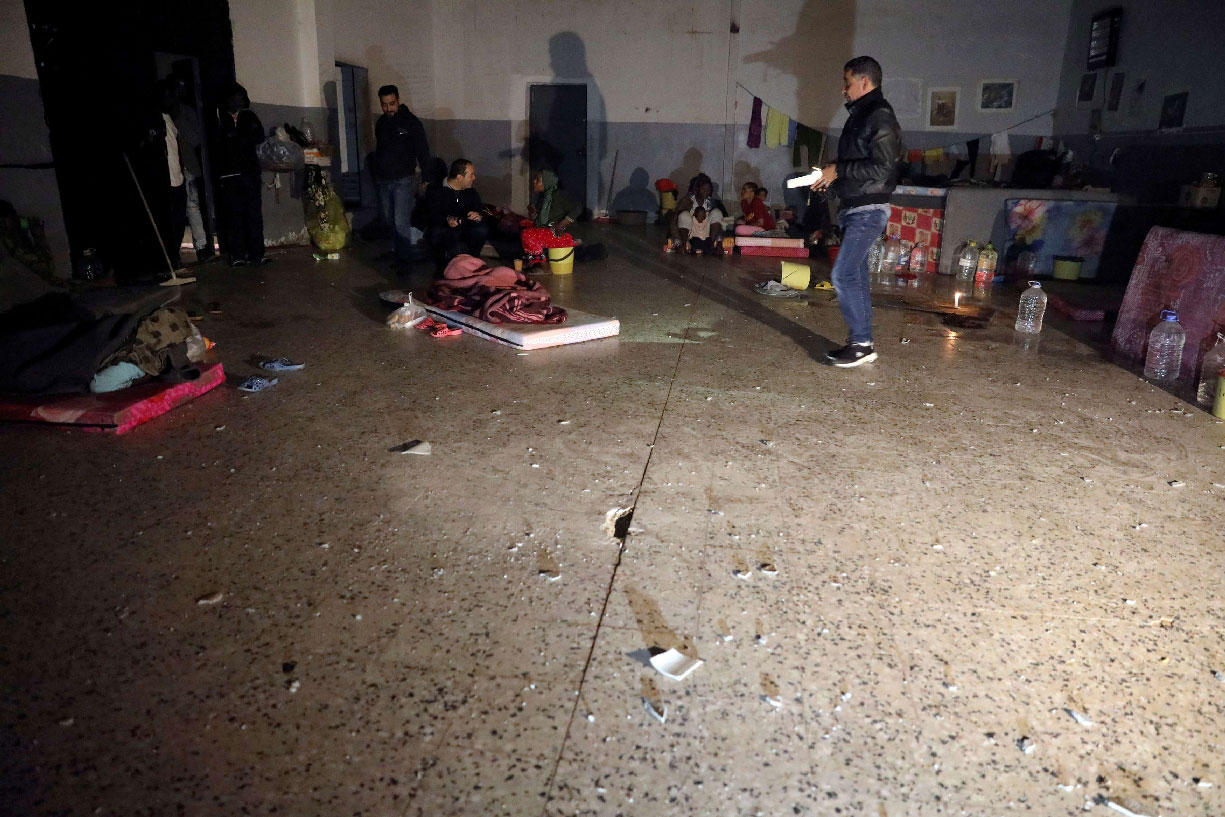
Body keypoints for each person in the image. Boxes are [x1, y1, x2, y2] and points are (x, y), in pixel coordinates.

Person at [811, 56, 901, 367]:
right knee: (856, 274)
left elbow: (883, 165)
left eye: (847, 82)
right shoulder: (861, 115)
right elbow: (859, 167)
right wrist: (831, 182)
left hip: (869, 209)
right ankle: (861, 341)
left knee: (843, 273)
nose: (842, 89)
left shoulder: (879, 114)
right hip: (856, 206)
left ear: (864, 81)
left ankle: (862, 342)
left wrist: (838, 169)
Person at [373, 84, 432, 264]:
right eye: (384, 104)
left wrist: (427, 179)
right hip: (384, 179)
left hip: (403, 179)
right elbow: (380, 149)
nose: (388, 108)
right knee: (389, 220)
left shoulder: (411, 123)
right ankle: (399, 255)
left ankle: (404, 263)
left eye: (391, 103)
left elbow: (422, 150)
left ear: (398, 100)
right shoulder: (381, 123)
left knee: (400, 222)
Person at [215, 82, 269, 266]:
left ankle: (258, 253)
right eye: (235, 97)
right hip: (229, 176)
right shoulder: (219, 117)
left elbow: (258, 136)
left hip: (250, 173)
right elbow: (219, 143)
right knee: (234, 217)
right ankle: (238, 255)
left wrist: (237, 138)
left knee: (253, 215)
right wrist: (239, 139)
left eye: (241, 97)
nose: (239, 100)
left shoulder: (249, 116)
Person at [171, 74, 213, 262]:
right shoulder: (163, 115)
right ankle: (172, 253)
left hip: (187, 167)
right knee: (175, 211)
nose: (180, 91)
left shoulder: (186, 112)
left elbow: (196, 138)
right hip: (170, 169)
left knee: (192, 206)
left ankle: (202, 247)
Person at [424, 158, 487, 268]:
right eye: (471, 175)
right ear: (459, 177)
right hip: (443, 228)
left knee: (480, 229)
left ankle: (472, 263)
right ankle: (443, 266)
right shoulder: (436, 190)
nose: (474, 178)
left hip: (465, 226)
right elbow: (430, 214)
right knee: (439, 232)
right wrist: (447, 219)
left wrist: (478, 215)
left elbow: (480, 210)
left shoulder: (471, 192)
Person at [521, 168, 581, 267]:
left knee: (527, 234)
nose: (534, 182)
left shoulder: (559, 195)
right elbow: (541, 219)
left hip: (559, 234)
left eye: (538, 180)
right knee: (523, 223)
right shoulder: (544, 196)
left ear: (547, 182)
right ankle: (532, 257)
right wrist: (533, 213)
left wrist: (561, 225)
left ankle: (543, 266)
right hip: (547, 231)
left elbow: (578, 208)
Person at [667, 172, 724, 253]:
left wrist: (719, 242)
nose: (706, 192)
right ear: (697, 189)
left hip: (706, 234)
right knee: (684, 215)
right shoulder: (687, 200)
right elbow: (674, 221)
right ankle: (683, 244)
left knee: (717, 212)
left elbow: (718, 222)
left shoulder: (710, 202)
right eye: (703, 189)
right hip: (690, 233)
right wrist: (678, 241)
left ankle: (710, 244)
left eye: (708, 190)